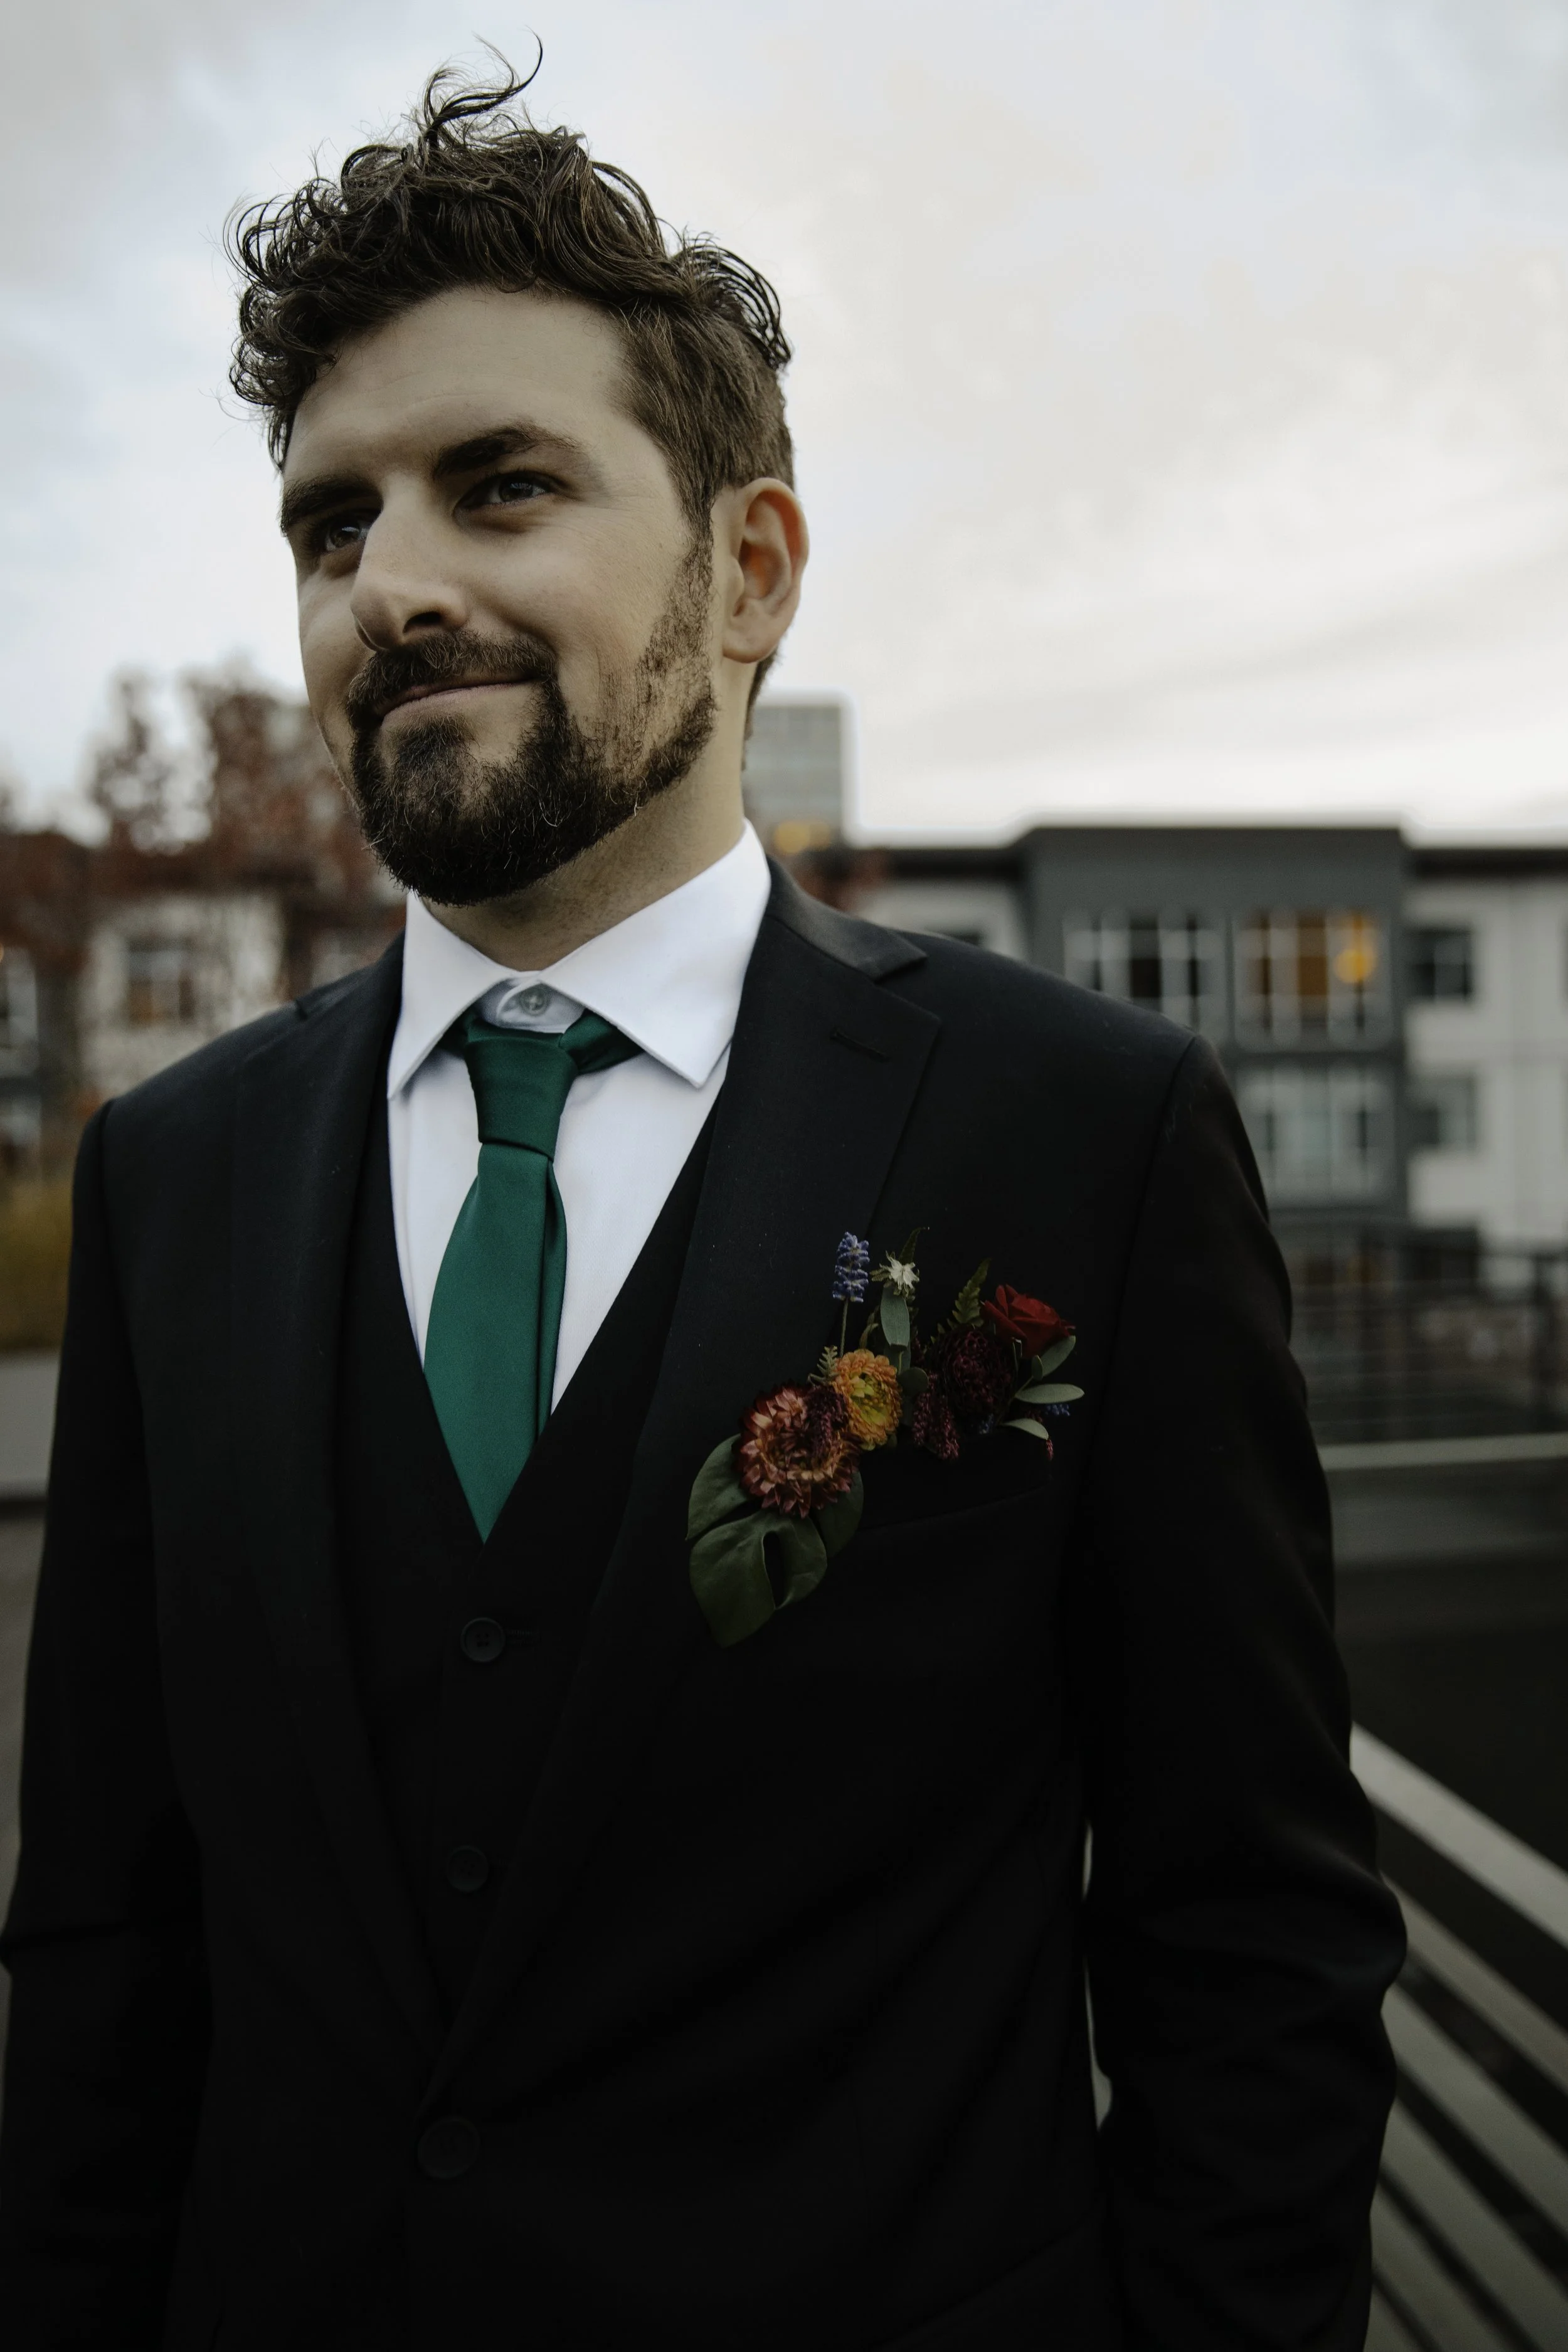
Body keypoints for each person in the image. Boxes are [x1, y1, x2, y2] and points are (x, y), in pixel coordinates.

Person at [0, 65, 1402, 2352]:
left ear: (746, 570)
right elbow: (104, 1946)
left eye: (504, 484)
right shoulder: (172, 1176)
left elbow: (1244, 1930)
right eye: (330, 523)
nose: (394, 587)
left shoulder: (1081, 1131)